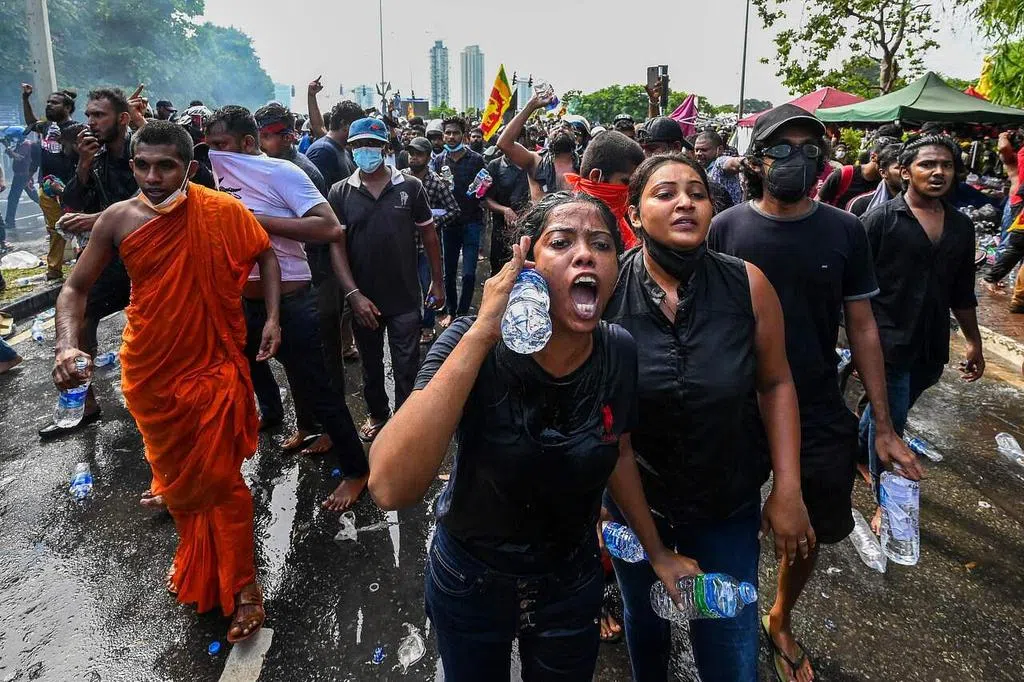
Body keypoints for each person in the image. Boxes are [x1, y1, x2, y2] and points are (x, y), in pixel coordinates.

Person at [368, 191, 700, 682]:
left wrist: (658, 554)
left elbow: (619, 452)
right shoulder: (470, 340)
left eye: (601, 245)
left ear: (616, 268)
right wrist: (485, 330)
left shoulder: (618, 351)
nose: (585, 255)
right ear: (527, 263)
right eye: (561, 242)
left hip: (571, 581)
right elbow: (390, 486)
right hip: (470, 580)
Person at [708, 104, 919, 682]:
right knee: (725, 521)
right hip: (736, 404)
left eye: (809, 150)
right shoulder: (726, 228)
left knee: (806, 532)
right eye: (781, 149)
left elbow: (863, 326)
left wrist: (884, 426)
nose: (796, 160)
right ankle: (727, 614)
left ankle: (779, 616)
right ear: (756, 161)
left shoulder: (845, 230)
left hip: (816, 404)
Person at [51, 120, 280, 643]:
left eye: (166, 166)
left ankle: (244, 587)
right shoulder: (117, 219)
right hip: (150, 371)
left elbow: (265, 252)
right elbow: (74, 290)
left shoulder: (222, 210)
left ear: (189, 168)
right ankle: (196, 548)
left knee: (221, 480)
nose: (152, 177)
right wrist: (65, 344)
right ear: (132, 165)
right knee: (181, 481)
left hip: (213, 364)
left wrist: (272, 317)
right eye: (142, 165)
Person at [604, 152, 811, 682]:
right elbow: (606, 431)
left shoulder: (748, 284)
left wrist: (787, 488)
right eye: (665, 193)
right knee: (645, 620)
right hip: (634, 501)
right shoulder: (608, 292)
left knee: (730, 646)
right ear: (634, 214)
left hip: (726, 504)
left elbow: (776, 383)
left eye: (697, 193)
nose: (685, 203)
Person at [205, 105, 368, 512]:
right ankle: (276, 427)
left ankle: (356, 470)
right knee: (236, 380)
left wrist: (252, 220)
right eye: (210, 146)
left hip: (294, 302)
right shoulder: (219, 177)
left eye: (222, 145)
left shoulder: (283, 172)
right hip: (245, 302)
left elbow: (329, 228)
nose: (215, 154)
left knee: (320, 389)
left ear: (248, 142)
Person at [859, 134, 985, 529]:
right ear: (905, 171)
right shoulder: (880, 221)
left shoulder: (961, 226)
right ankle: (885, 501)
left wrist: (974, 341)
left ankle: (857, 451)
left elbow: (962, 291)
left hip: (930, 343)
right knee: (892, 422)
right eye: (927, 164)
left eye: (945, 165)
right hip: (886, 342)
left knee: (883, 411)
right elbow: (853, 287)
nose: (938, 172)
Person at [328, 118, 445, 443]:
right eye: (359, 145)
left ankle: (405, 420)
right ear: (351, 149)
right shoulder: (340, 192)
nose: (366, 151)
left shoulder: (410, 187)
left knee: (407, 363)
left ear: (385, 148)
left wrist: (437, 282)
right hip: (364, 298)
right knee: (370, 363)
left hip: (405, 295)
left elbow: (429, 235)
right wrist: (353, 295)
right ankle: (378, 413)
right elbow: (336, 247)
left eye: (372, 145)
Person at [38, 88, 137, 439]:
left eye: (99, 115)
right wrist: (82, 164)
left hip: (151, 257)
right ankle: (83, 402)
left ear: (122, 119)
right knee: (80, 316)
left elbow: (153, 200)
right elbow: (72, 201)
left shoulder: (143, 152)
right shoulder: (94, 155)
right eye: (90, 115)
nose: (91, 122)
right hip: (113, 257)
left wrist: (97, 219)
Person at [306, 99, 365, 360]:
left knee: (343, 301)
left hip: (343, 236)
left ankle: (344, 344)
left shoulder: (340, 149)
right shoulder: (322, 152)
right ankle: (331, 352)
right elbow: (315, 199)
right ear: (344, 125)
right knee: (331, 304)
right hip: (328, 243)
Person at [405, 136, 461, 344]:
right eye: (411, 153)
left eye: (419, 154)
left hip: (426, 247)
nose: (414, 157)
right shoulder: (400, 178)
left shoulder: (436, 183)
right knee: (406, 287)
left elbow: (454, 209)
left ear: (428, 158)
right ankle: (410, 324)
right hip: (404, 245)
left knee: (429, 286)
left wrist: (432, 222)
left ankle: (428, 326)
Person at [431, 116, 485, 328]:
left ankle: (463, 314)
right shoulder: (438, 161)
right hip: (449, 224)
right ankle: (452, 312)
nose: (451, 137)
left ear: (464, 135)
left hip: (472, 222)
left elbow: (484, 189)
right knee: (449, 273)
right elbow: (433, 193)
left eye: (455, 133)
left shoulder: (476, 159)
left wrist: (481, 189)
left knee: (469, 274)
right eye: (448, 133)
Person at [21, 83, 78, 280]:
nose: (49, 105)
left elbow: (82, 156)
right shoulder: (46, 127)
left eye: (54, 103)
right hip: (47, 188)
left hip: (72, 188)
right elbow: (31, 122)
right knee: (54, 229)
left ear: (67, 107)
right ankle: (54, 270)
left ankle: (87, 265)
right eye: (48, 102)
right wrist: (25, 98)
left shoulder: (76, 129)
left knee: (79, 226)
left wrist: (63, 140)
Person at [564, 131, 645, 250]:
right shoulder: (565, 221)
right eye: (626, 182)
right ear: (596, 177)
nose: (631, 191)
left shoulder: (621, 218)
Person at [497, 92, 579, 200]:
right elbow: (504, 144)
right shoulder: (535, 160)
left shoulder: (584, 165)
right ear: (548, 135)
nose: (560, 129)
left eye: (566, 127)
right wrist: (531, 106)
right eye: (555, 127)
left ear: (576, 136)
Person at [482, 140, 531, 276]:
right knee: (499, 270)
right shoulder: (495, 165)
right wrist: (504, 210)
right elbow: (485, 199)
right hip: (501, 228)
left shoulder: (532, 164)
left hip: (527, 227)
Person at [817, 137, 892, 209]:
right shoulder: (845, 174)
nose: (892, 164)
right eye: (888, 160)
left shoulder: (889, 183)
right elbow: (817, 204)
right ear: (873, 157)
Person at [305, 100, 362, 189]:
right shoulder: (322, 151)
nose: (359, 133)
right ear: (344, 124)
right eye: (357, 128)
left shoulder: (342, 150)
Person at [848, 143, 904, 217]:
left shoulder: (918, 204)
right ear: (883, 173)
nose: (905, 172)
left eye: (908, 167)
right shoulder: (861, 205)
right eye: (898, 168)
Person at [694, 129, 743, 206]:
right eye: (696, 150)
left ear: (719, 149)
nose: (698, 153)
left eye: (704, 150)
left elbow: (730, 162)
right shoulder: (704, 169)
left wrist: (744, 162)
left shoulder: (719, 162)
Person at [3, 131, 40, 229]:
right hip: (20, 175)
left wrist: (8, 149)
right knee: (33, 196)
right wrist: (8, 147)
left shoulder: (26, 144)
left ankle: (10, 222)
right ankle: (51, 208)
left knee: (13, 198)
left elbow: (19, 157)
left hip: (23, 176)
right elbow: (13, 155)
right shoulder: (20, 144)